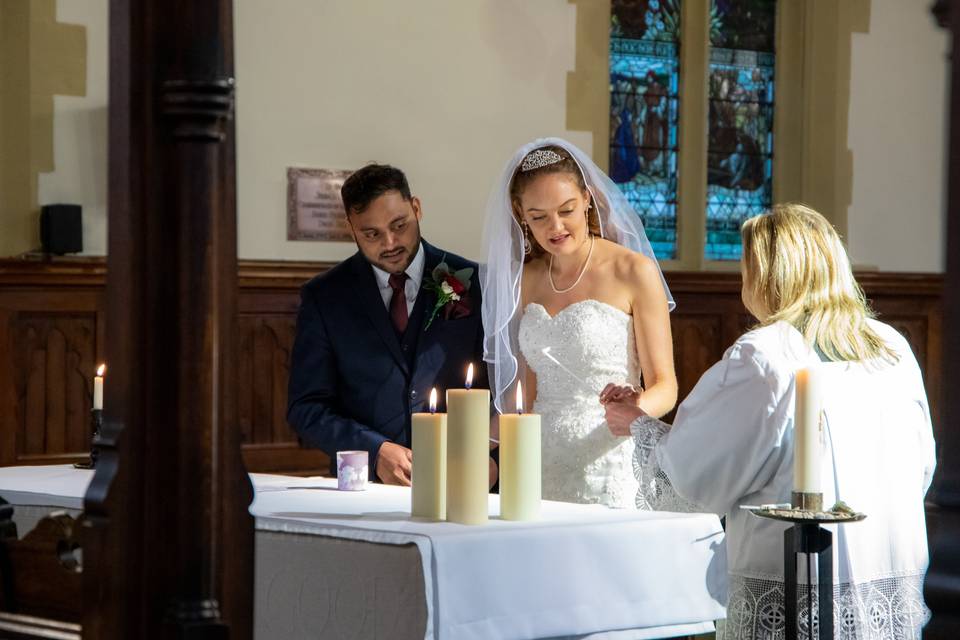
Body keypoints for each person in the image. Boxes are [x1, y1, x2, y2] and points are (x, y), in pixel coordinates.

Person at [603, 203, 935, 638]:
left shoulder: (764, 354)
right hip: (886, 566)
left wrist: (639, 426)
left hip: (796, 579)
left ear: (765, 276)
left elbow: (696, 474)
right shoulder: (890, 346)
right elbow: (922, 464)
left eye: (746, 269)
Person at [481, 138, 677, 508]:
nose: (555, 226)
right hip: (538, 462)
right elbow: (521, 395)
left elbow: (666, 387)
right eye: (538, 217)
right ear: (521, 215)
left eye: (566, 210)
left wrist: (634, 411)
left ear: (587, 199)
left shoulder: (633, 271)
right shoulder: (525, 280)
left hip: (608, 456)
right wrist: (472, 449)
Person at [288, 163, 491, 485]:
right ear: (350, 227)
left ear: (416, 207)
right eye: (371, 234)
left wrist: (487, 459)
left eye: (400, 224)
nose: (390, 242)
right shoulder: (324, 297)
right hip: (363, 486)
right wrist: (374, 450)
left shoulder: (476, 283)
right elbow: (307, 407)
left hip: (461, 478)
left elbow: (500, 386)